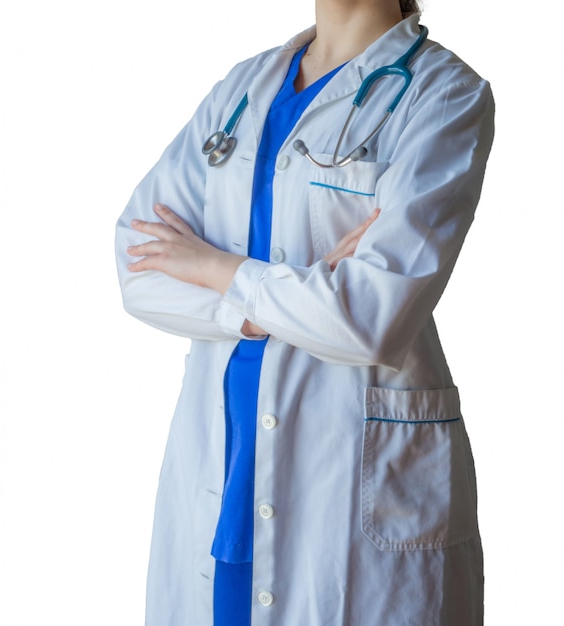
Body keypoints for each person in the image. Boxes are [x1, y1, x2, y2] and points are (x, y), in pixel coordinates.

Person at [115, 0, 494, 623]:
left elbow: (372, 316)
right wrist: (278, 304)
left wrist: (215, 267)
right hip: (223, 471)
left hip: (346, 485)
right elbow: (140, 261)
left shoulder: (444, 93)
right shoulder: (243, 87)